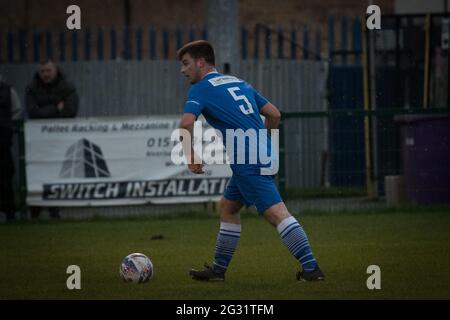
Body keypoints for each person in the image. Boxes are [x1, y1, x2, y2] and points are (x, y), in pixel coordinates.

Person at [177, 40, 324, 282]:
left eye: (186, 63)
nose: (183, 70)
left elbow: (185, 123)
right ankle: (218, 271)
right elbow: (274, 114)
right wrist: (263, 141)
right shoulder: (238, 82)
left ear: (201, 62)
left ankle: (312, 269)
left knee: (277, 213)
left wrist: (190, 154)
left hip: (247, 160)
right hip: (264, 152)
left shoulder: (200, 88)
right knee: (229, 207)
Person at [25, 59, 79, 219]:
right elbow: (32, 113)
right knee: (38, 172)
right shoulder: (32, 88)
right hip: (38, 141)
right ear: (38, 72)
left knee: (56, 172)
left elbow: (70, 111)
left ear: (55, 70)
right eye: (43, 71)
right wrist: (55, 108)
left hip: (60, 139)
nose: (46, 74)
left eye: (48, 71)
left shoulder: (67, 86)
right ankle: (36, 209)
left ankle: (54, 209)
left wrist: (44, 111)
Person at [0, 75, 23, 222]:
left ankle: (10, 214)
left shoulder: (8, 90)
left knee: (6, 178)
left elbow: (17, 111)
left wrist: (6, 126)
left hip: (2, 142)